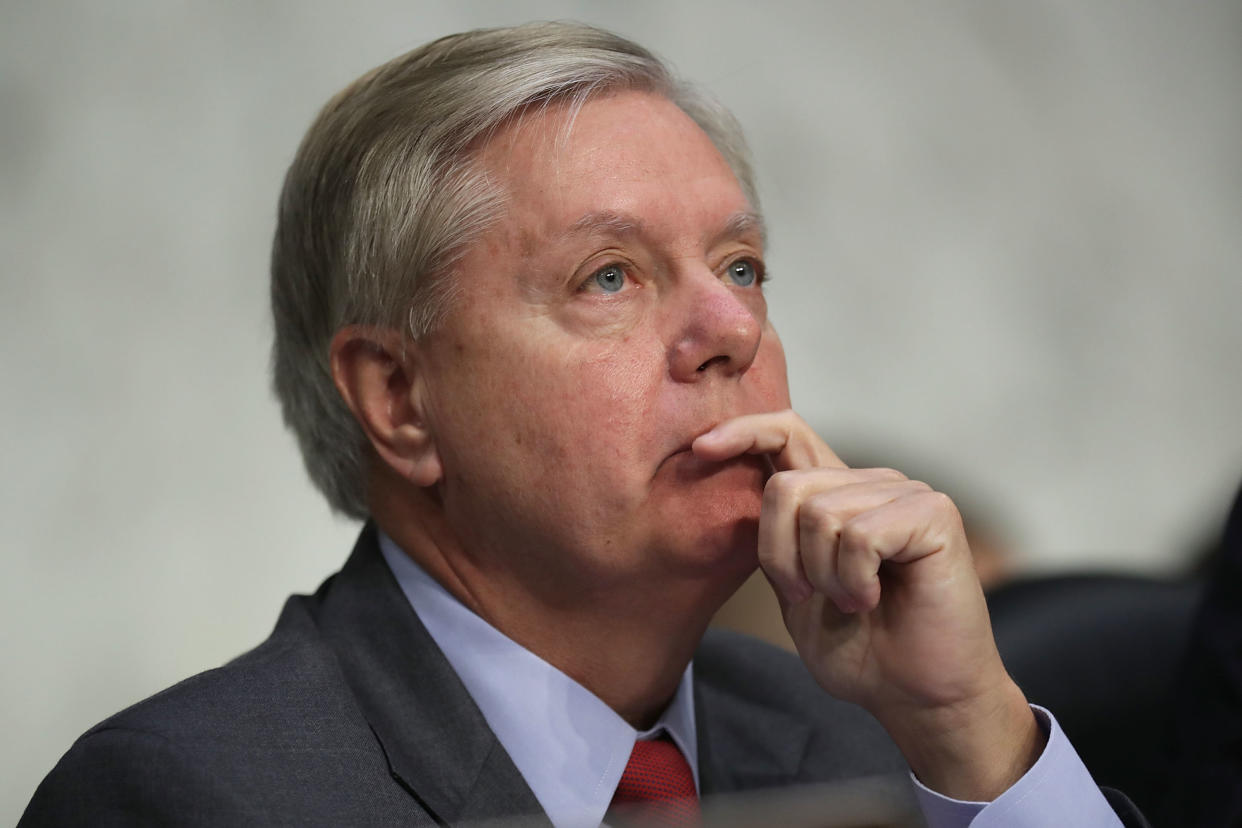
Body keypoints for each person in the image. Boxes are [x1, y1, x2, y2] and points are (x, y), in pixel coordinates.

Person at [21, 22, 1145, 827]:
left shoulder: (883, 747)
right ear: (399, 401)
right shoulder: (190, 795)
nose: (729, 331)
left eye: (741, 265)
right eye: (610, 278)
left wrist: (974, 737)